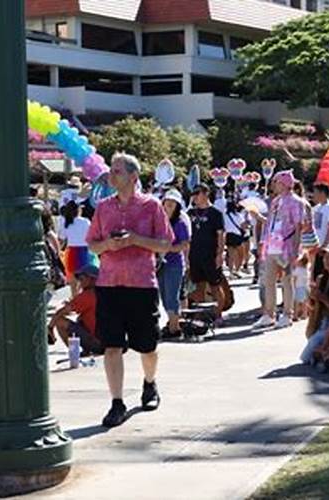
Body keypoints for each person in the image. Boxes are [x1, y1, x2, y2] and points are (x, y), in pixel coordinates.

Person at [86, 152, 174, 428]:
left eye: (117, 172)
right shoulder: (103, 207)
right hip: (109, 284)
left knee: (147, 346)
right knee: (112, 347)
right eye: (111, 171)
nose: (111, 176)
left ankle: (150, 383)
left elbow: (165, 244)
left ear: (133, 177)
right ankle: (117, 402)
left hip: (141, 284)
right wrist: (107, 246)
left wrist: (135, 239)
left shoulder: (151, 206)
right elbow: (92, 243)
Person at [253, 170, 306, 330]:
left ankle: (287, 314)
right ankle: (269, 314)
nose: (274, 184)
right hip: (272, 246)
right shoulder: (276, 201)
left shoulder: (297, 202)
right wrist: (263, 241)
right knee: (268, 280)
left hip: (286, 246)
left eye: (276, 182)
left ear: (284, 183)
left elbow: (298, 226)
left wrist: (296, 249)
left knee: (286, 281)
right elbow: (270, 222)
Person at [187, 184, 226, 316]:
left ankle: (218, 315)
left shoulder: (215, 213)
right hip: (194, 255)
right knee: (198, 287)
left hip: (210, 255)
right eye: (193, 194)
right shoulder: (190, 213)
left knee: (215, 286)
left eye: (197, 193)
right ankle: (200, 316)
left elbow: (221, 235)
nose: (195, 197)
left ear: (206, 193)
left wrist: (220, 254)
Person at [47, 264, 103, 356]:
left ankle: (74, 354)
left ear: (92, 279)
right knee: (80, 320)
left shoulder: (88, 295)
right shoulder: (101, 292)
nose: (79, 282)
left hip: (98, 344)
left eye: (82, 278)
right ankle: (85, 351)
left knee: (60, 321)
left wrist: (50, 327)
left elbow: (61, 312)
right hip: (110, 343)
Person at [159, 189, 190, 337]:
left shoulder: (180, 223)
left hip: (174, 264)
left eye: (172, 204)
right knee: (164, 296)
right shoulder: (158, 221)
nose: (168, 207)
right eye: (166, 203)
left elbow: (184, 244)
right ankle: (173, 323)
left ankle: (174, 327)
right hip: (160, 264)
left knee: (172, 295)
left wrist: (170, 248)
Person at [59, 200, 97, 297]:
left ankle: (74, 299)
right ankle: (84, 299)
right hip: (85, 251)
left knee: (72, 281)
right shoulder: (85, 221)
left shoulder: (66, 222)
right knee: (85, 278)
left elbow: (62, 238)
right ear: (78, 210)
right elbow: (91, 236)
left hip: (71, 252)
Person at [311, 183, 329, 280]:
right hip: (316, 244)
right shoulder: (317, 208)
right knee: (315, 272)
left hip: (324, 246)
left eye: (316, 192)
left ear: (322, 193)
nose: (314, 195)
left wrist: (325, 245)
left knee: (323, 272)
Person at [223, 195, 250, 278]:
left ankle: (231, 272)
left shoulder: (224, 215)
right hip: (237, 236)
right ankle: (237, 270)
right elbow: (243, 226)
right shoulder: (238, 215)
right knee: (240, 254)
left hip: (229, 236)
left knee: (231, 255)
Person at [292, 252, 310, 321]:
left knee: (296, 302)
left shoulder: (297, 270)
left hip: (298, 287)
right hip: (305, 287)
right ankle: (304, 314)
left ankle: (295, 315)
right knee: (305, 302)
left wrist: (293, 286)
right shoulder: (306, 270)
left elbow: (294, 279)